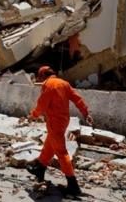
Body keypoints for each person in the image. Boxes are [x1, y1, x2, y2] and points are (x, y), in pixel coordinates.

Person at [26, 66, 93, 196]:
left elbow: (42, 105)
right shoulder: (64, 83)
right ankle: (39, 169)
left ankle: (73, 185)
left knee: (61, 152)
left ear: (42, 76)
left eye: (40, 77)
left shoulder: (48, 85)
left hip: (54, 122)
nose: (40, 80)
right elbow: (77, 99)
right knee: (49, 145)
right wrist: (86, 113)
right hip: (63, 121)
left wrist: (33, 115)